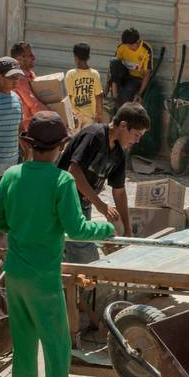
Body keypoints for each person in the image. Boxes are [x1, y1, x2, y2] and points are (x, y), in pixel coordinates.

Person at [0, 112, 116, 377]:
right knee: (57, 347)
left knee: (23, 346)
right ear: (61, 146)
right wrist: (106, 227)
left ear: (28, 144)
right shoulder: (62, 181)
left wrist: (22, 226)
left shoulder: (11, 175)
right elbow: (77, 228)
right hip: (44, 279)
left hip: (15, 275)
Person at [56, 103, 149, 262]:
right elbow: (74, 171)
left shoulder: (119, 153)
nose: (137, 141)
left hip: (82, 206)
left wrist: (127, 230)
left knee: (69, 252)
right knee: (87, 257)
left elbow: (119, 192)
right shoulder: (94, 135)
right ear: (123, 125)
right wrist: (101, 205)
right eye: (137, 135)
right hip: (62, 201)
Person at [11, 41, 47, 138]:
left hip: (33, 129)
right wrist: (55, 115)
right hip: (23, 134)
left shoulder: (31, 75)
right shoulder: (18, 78)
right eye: (30, 55)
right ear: (19, 59)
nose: (34, 58)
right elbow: (34, 105)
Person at [65, 43, 105, 129]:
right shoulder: (94, 74)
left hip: (74, 117)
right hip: (90, 117)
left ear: (75, 58)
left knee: (74, 141)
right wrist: (100, 114)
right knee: (87, 141)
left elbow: (68, 97)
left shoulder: (70, 74)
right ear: (88, 58)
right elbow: (99, 96)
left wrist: (69, 115)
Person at [110, 28, 153, 106]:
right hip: (124, 76)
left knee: (126, 94)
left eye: (130, 46)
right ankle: (114, 97)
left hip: (137, 78)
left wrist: (139, 93)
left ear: (137, 42)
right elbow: (113, 67)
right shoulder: (123, 46)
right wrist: (107, 89)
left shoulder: (146, 49)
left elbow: (148, 73)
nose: (128, 48)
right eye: (127, 45)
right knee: (114, 61)